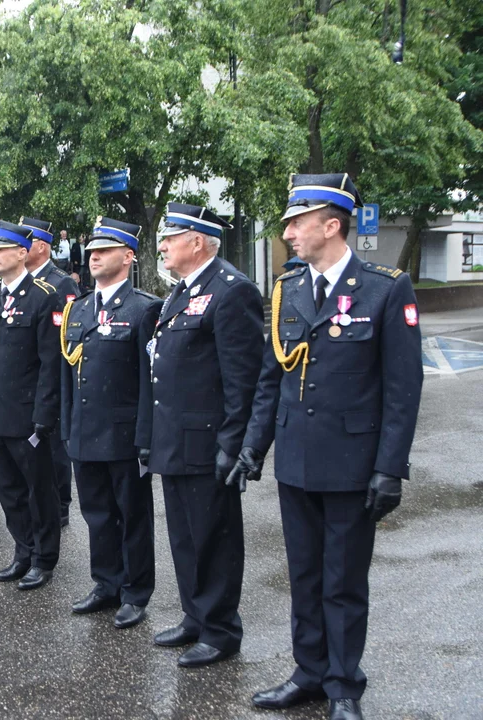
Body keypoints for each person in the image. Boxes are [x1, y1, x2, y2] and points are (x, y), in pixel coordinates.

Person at [231, 174, 423, 720]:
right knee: (305, 576)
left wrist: (390, 468)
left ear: (331, 225)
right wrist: (253, 447)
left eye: (297, 222)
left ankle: (343, 686)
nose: (289, 233)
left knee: (342, 581)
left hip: (352, 465)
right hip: (297, 460)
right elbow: (272, 380)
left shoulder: (385, 289)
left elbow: (403, 390)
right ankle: (308, 673)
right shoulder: (287, 290)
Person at [146, 201, 264, 668]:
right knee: (184, 537)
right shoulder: (180, 292)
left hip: (208, 440)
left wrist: (232, 444)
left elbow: (242, 380)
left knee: (214, 539)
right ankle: (195, 616)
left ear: (197, 242)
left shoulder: (232, 291)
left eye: (170, 239)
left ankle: (220, 630)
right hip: (174, 438)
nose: (163, 247)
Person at [60, 217, 160, 627]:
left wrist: (145, 438)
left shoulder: (144, 309)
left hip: (123, 434)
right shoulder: (79, 309)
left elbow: (148, 381)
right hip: (85, 432)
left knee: (132, 516)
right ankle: (106, 582)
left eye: (105, 249)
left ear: (128, 255)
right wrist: (68, 427)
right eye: (91, 250)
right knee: (96, 514)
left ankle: (136, 591)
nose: (94, 256)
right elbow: (68, 375)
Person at [0, 219, 63, 590]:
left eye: (0, 249)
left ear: (22, 253)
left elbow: (51, 363)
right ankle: (22, 551)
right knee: (9, 491)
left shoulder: (44, 297)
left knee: (39, 492)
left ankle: (44, 558)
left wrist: (43, 416)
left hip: (28, 417)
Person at [21, 216, 81, 525]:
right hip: (29, 375)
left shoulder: (61, 281)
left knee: (55, 444)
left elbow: (68, 332)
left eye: (26, 241)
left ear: (41, 247)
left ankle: (61, 504)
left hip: (54, 373)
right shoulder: (23, 282)